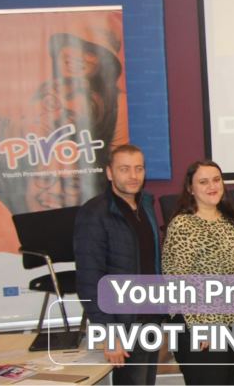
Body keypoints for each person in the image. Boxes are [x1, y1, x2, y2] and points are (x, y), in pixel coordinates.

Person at [73, 144, 161, 385]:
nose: (133, 175)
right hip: (124, 322)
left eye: (138, 168)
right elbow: (89, 281)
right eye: (124, 169)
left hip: (150, 315)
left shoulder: (145, 204)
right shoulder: (94, 214)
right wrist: (109, 333)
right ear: (109, 173)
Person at [163, 160, 234, 386]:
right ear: (190, 189)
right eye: (203, 182)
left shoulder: (228, 222)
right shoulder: (183, 225)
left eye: (216, 180)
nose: (212, 186)